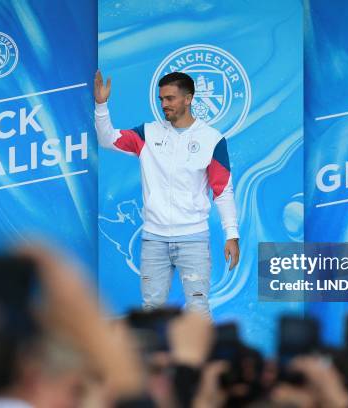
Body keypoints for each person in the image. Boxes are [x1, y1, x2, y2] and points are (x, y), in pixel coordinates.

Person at [94, 70, 240, 318]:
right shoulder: (147, 134)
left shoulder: (212, 139)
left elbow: (223, 190)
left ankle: (198, 358)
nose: (164, 105)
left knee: (198, 310)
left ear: (188, 98)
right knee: (152, 312)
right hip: (154, 239)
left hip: (194, 238)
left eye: (170, 99)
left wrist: (232, 234)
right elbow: (108, 139)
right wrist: (101, 104)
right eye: (161, 99)